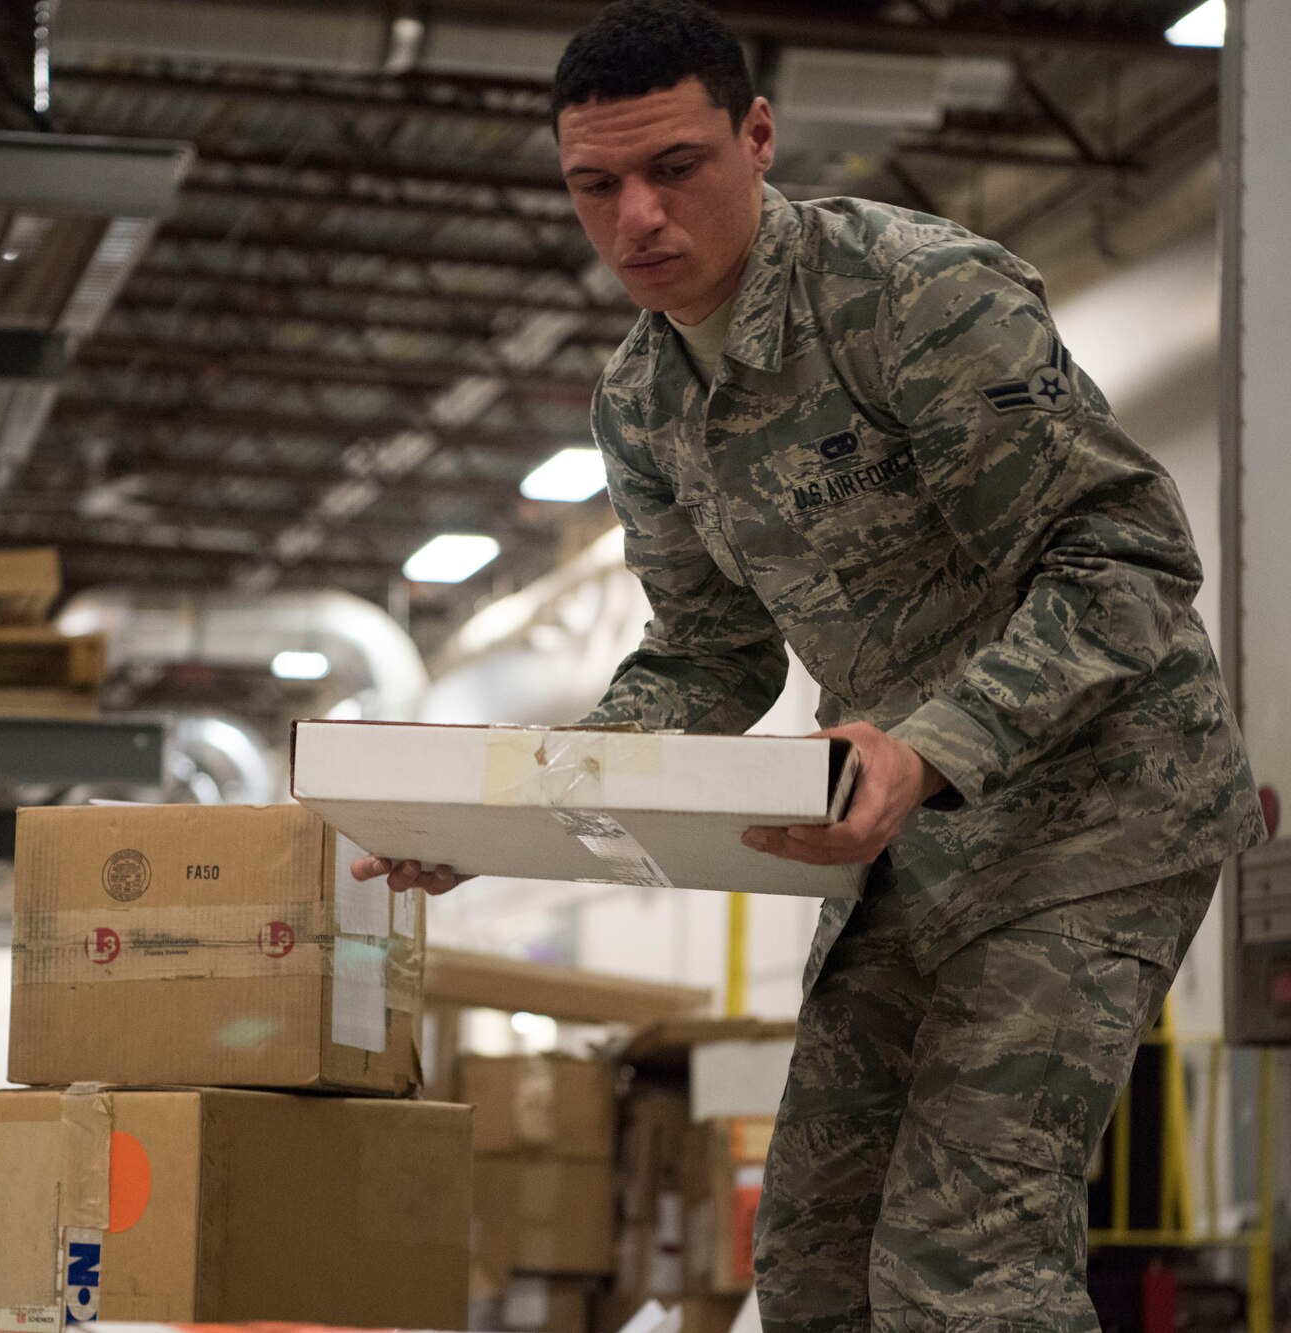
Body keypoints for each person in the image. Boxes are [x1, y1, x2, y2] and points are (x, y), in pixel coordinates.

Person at [358, 3, 1263, 1330]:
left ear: (759, 137)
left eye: (675, 168)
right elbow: (707, 658)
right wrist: (510, 811)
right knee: (815, 1266)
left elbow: (1125, 566)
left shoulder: (915, 297)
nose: (637, 222)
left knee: (962, 1266)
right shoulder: (642, 400)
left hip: (1099, 807)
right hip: (897, 832)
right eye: (594, 187)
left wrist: (931, 745)